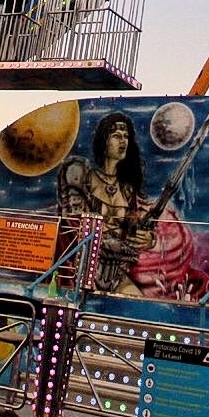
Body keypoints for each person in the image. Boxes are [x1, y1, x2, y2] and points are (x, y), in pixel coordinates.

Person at [55, 112, 155, 295]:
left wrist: (148, 239)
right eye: (116, 136)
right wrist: (117, 242)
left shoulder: (127, 188)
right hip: (83, 271)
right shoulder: (85, 177)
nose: (123, 141)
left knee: (139, 304)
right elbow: (73, 226)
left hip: (116, 273)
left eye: (126, 136)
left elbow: (135, 228)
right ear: (104, 140)